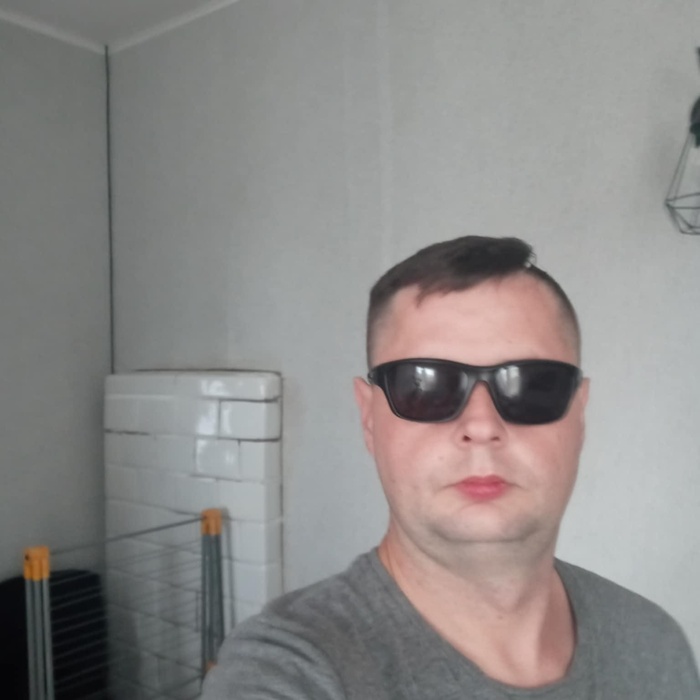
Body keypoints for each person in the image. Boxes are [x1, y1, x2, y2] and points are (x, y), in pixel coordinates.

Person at [201, 236, 700, 698]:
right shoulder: (291, 670)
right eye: (425, 386)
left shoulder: (655, 645)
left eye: (532, 385)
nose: (481, 425)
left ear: (579, 414)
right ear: (369, 418)